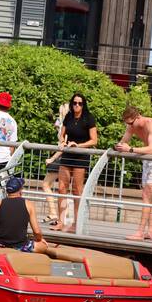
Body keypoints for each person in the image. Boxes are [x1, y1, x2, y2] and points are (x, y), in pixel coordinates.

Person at [114, 104, 152, 241]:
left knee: (147, 194)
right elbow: (123, 142)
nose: (130, 126)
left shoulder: (151, 124)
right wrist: (117, 147)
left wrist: (130, 149)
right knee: (147, 196)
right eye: (127, 124)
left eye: (131, 123)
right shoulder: (131, 126)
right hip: (147, 160)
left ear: (138, 117)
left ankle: (140, 232)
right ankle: (151, 231)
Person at [0, 175, 53, 254]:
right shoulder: (29, 205)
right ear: (20, 190)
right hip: (21, 246)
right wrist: (40, 240)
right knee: (43, 246)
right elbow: (37, 231)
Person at [55, 91, 98, 232]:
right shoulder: (68, 116)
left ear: (83, 105)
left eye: (80, 103)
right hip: (68, 154)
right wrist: (63, 142)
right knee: (62, 188)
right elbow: (62, 135)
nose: (77, 105)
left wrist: (78, 146)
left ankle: (76, 223)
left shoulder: (89, 118)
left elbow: (94, 140)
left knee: (77, 190)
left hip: (80, 156)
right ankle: (60, 221)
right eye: (74, 103)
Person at [41, 101, 69, 223]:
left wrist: (52, 158)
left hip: (61, 157)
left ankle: (53, 213)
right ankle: (60, 217)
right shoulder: (64, 123)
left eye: (61, 110)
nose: (59, 112)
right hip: (64, 158)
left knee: (46, 184)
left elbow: (64, 145)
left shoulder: (67, 125)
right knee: (61, 187)